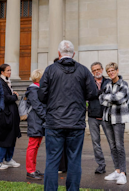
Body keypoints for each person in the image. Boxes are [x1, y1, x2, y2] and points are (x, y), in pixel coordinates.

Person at [38, 40, 99, 191]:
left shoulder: (50, 70)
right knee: (74, 161)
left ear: (59, 53)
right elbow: (92, 93)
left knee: (52, 161)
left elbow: (41, 95)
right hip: (75, 122)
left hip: (54, 122)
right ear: (73, 54)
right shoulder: (83, 70)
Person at [99, 62, 129, 186]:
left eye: (112, 70)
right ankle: (117, 170)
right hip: (107, 118)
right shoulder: (107, 85)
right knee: (112, 146)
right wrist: (110, 97)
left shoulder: (123, 84)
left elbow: (119, 99)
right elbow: (101, 99)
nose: (111, 73)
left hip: (118, 119)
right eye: (108, 71)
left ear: (117, 71)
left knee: (119, 146)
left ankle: (123, 173)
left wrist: (107, 97)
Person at [0, 64, 22, 170]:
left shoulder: (7, 82)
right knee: (2, 137)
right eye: (7, 70)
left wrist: (12, 95)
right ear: (2, 72)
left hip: (10, 114)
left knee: (11, 137)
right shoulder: (0, 82)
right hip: (4, 114)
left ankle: (8, 159)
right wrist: (15, 96)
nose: (10, 72)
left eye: (10, 70)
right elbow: (5, 98)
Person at [25, 68, 46, 180]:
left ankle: (33, 168)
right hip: (35, 120)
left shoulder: (37, 89)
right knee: (32, 146)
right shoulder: (33, 90)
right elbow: (37, 106)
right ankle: (30, 170)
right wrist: (46, 117)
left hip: (38, 120)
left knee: (36, 146)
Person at [87, 61, 107, 174]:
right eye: (94, 70)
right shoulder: (89, 83)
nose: (96, 72)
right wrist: (99, 93)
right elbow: (87, 95)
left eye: (98, 69)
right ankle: (101, 165)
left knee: (112, 142)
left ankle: (118, 167)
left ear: (102, 69)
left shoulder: (108, 82)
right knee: (95, 142)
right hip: (93, 116)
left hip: (106, 115)